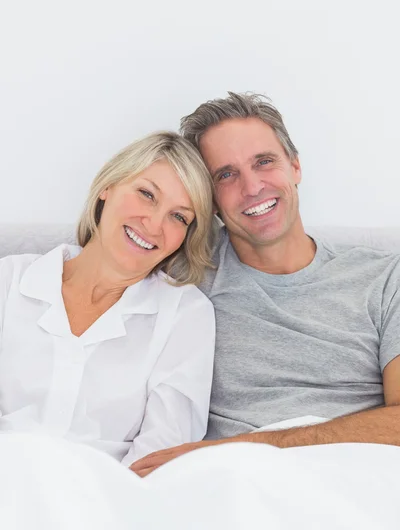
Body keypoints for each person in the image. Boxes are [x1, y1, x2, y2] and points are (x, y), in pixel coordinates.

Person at [131, 92, 400, 477]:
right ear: (209, 199)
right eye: (226, 174)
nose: (252, 187)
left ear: (295, 166)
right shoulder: (181, 277)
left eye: (264, 162)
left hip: (356, 478)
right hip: (233, 490)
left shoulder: (386, 278)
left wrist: (245, 448)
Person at [0, 131, 217, 467]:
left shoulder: (186, 315)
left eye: (179, 217)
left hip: (104, 504)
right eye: (147, 194)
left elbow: (163, 456)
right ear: (107, 187)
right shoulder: (9, 281)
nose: (155, 224)